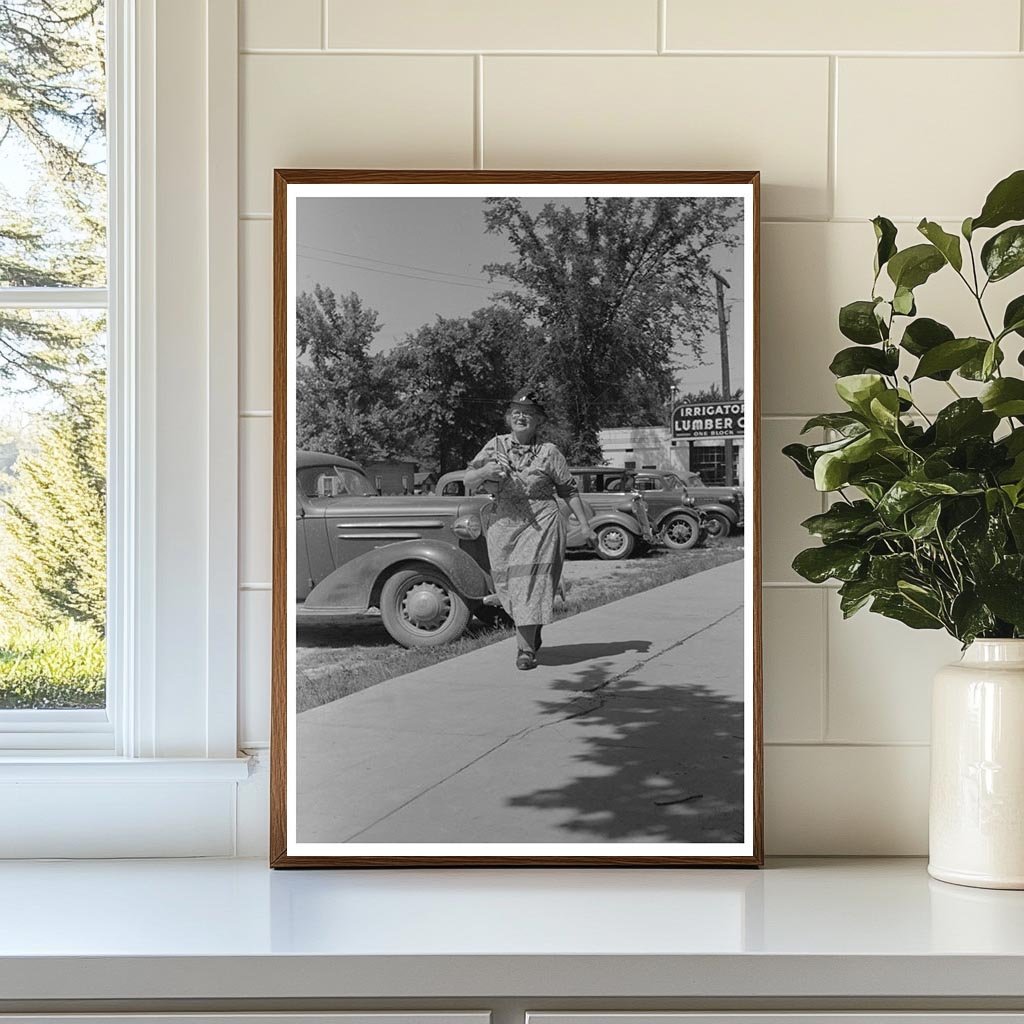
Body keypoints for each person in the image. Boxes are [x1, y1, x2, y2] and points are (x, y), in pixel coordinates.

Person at [465, 388, 595, 670]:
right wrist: (485, 473)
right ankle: (531, 630)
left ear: (539, 421)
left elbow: (569, 491)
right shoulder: (495, 446)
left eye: (529, 414)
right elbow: (468, 479)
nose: (521, 416)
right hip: (503, 523)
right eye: (516, 412)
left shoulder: (550, 453)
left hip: (541, 522)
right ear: (508, 418)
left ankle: (524, 651)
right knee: (508, 588)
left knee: (529, 584)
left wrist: (585, 525)